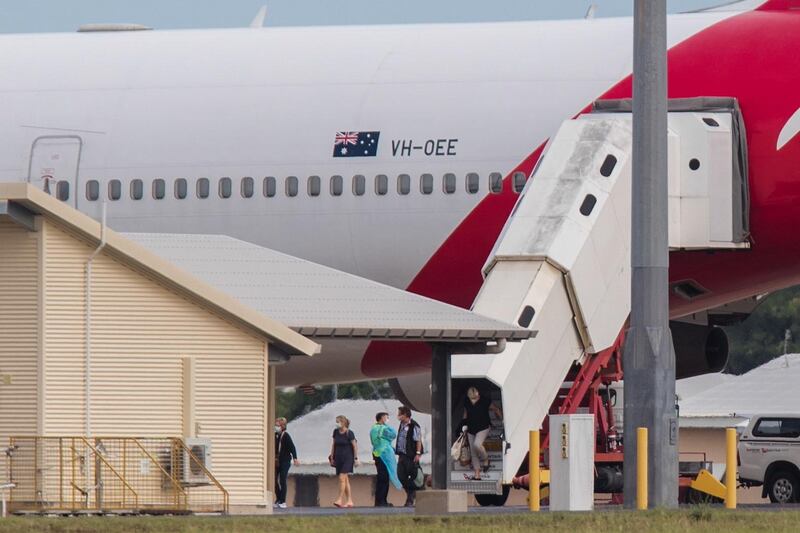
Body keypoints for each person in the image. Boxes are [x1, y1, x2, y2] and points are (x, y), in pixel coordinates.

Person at [461, 387, 502, 481]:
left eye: (474, 398)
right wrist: (463, 425)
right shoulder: (467, 401)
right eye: (471, 398)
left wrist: (502, 419)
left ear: (478, 394)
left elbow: (496, 409)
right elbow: (465, 413)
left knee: (477, 445)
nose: (473, 400)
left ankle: (486, 459)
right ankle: (477, 475)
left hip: (483, 427)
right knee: (473, 452)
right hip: (471, 429)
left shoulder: (484, 400)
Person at [370, 411, 402, 507]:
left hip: (377, 454)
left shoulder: (373, 429)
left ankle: (380, 500)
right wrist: (387, 426)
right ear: (381, 418)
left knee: (382, 478)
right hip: (383, 455)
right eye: (386, 417)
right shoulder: (381, 429)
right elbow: (393, 434)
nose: (387, 419)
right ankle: (381, 501)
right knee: (383, 478)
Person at [396, 405, 423, 507]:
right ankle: (411, 495)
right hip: (402, 455)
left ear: (405, 415)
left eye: (400, 414)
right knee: (401, 476)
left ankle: (411, 498)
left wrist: (418, 453)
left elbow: (418, 440)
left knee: (414, 477)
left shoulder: (414, 425)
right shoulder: (402, 424)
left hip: (411, 455)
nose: (398, 416)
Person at [329, 415, 359, 507]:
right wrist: (332, 457)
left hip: (348, 458)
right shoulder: (336, 432)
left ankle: (339, 499)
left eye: (338, 422)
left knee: (342, 478)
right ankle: (349, 500)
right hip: (338, 457)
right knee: (345, 480)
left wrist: (356, 458)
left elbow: (354, 446)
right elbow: (333, 444)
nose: (337, 424)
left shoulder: (349, 433)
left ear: (343, 422)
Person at [274, 417, 299, 508]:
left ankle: (283, 501)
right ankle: (278, 498)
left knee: (282, 479)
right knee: (274, 480)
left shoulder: (286, 436)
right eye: (275, 425)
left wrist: (295, 458)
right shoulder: (275, 436)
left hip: (285, 461)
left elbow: (292, 447)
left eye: (277, 425)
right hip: (276, 461)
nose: (276, 427)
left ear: (283, 426)